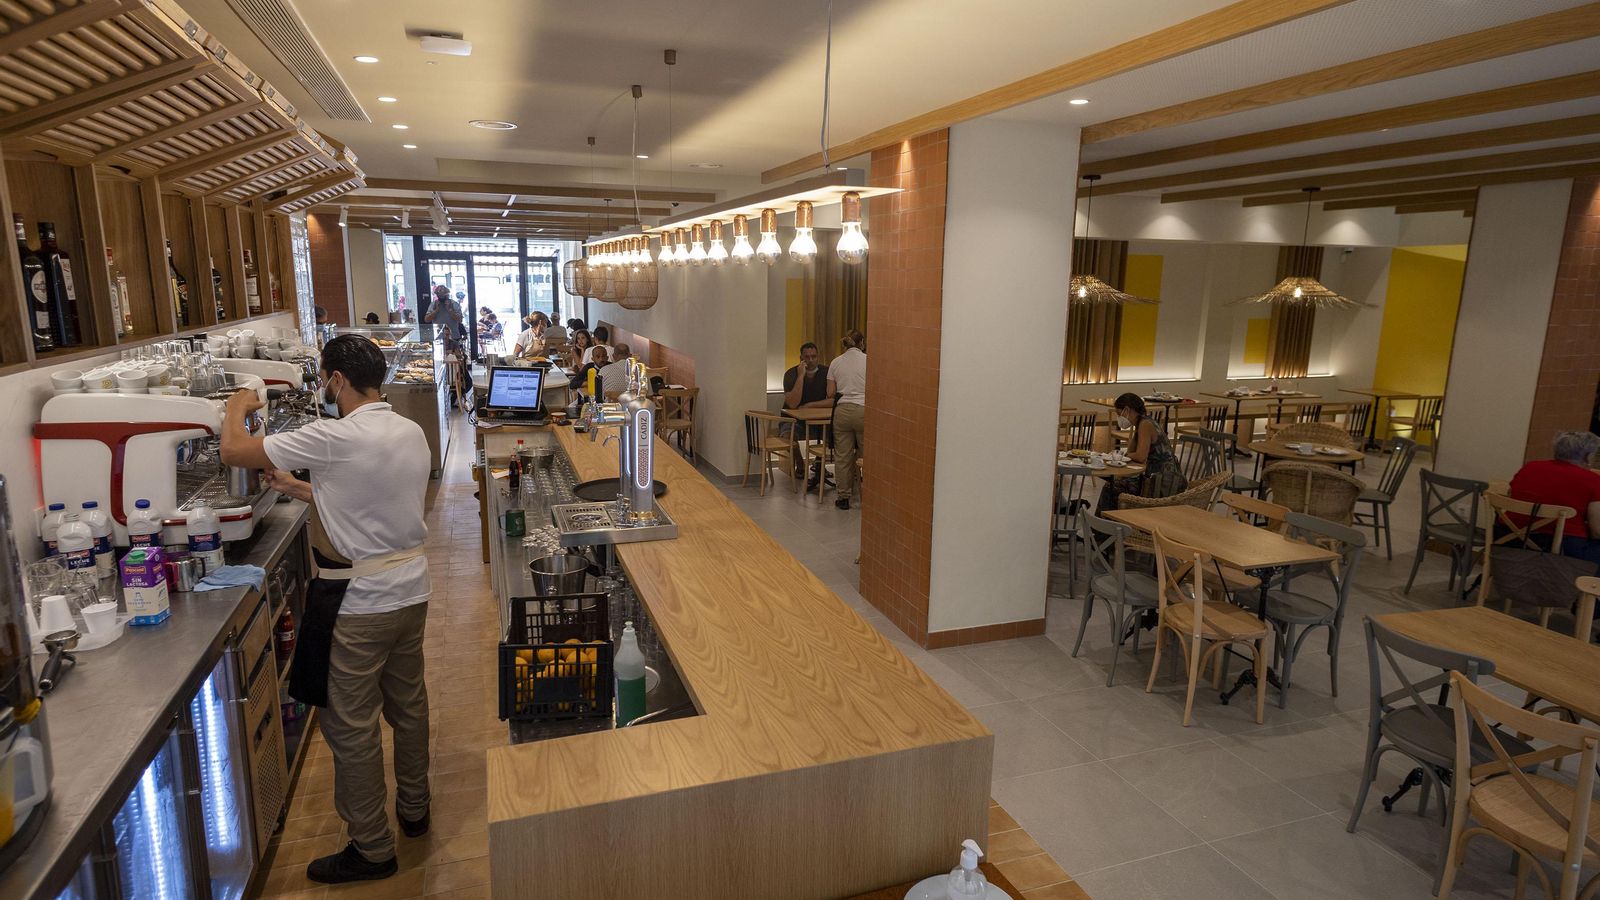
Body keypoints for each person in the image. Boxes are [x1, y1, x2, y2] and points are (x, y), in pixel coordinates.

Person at [219, 335, 432, 885]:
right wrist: (300, 488)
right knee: (408, 707)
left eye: (323, 379)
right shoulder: (408, 430)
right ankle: (415, 809)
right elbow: (371, 499)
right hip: (411, 591)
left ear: (337, 379)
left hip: (361, 603)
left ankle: (372, 848)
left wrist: (238, 404)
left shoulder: (334, 436)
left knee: (351, 725)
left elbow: (234, 452)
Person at [1509, 430, 1600, 564]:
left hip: (1510, 540)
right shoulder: (1593, 480)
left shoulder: (1529, 467)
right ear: (1587, 457)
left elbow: (1510, 494)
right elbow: (1597, 531)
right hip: (1560, 550)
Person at [1095, 393, 1187, 514]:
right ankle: (1108, 520)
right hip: (1157, 475)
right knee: (1114, 483)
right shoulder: (1143, 422)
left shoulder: (1145, 425)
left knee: (1111, 487)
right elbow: (1131, 451)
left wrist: (1121, 456)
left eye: (1119, 413)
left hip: (1159, 480)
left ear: (1127, 410)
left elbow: (1140, 456)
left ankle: (1103, 524)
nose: (1119, 418)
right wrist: (1126, 453)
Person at [783, 342, 833, 487]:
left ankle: (819, 465)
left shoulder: (826, 372)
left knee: (834, 432)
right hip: (793, 419)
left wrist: (810, 405)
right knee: (788, 435)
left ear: (818, 357)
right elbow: (793, 404)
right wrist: (801, 376)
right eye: (807, 357)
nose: (811, 360)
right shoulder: (791, 374)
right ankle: (800, 463)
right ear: (801, 358)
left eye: (814, 357)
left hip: (819, 418)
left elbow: (833, 400)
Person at [829, 331, 867, 510]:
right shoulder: (869, 360)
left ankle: (843, 497)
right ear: (862, 343)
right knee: (866, 455)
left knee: (842, 456)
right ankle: (868, 494)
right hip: (864, 410)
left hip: (842, 411)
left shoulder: (835, 362)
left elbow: (830, 392)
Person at [423, 285, 463, 353]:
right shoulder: (433, 304)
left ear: (447, 295)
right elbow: (426, 319)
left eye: (443, 295)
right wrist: (436, 311)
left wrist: (450, 310)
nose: (441, 297)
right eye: (439, 295)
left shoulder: (454, 304)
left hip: (453, 337)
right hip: (438, 338)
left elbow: (460, 319)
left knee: (455, 357)